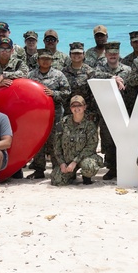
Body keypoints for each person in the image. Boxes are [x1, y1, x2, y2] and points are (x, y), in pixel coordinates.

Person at [28, 49, 71, 179]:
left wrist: (54, 94)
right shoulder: (30, 75)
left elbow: (67, 92)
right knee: (38, 141)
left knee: (55, 140)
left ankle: (56, 167)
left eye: (48, 59)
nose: (45, 61)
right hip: (37, 114)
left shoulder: (58, 75)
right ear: (38, 60)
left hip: (55, 113)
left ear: (52, 61)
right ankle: (39, 169)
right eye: (42, 59)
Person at [94, 41, 132, 179]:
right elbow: (93, 74)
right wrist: (111, 78)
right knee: (108, 140)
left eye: (115, 53)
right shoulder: (100, 68)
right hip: (106, 110)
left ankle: (123, 166)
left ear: (119, 54)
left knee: (122, 139)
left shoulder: (127, 70)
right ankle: (111, 168)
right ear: (105, 54)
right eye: (110, 53)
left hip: (123, 110)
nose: (112, 56)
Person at [52, 95, 103, 186]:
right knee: (57, 180)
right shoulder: (63, 123)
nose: (76, 108)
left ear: (84, 107)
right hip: (68, 159)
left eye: (79, 105)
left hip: (84, 158)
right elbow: (57, 145)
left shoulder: (90, 125)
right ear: (70, 108)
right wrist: (62, 163)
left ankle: (86, 177)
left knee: (89, 166)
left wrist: (75, 162)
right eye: (74, 106)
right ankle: (71, 175)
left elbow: (91, 147)